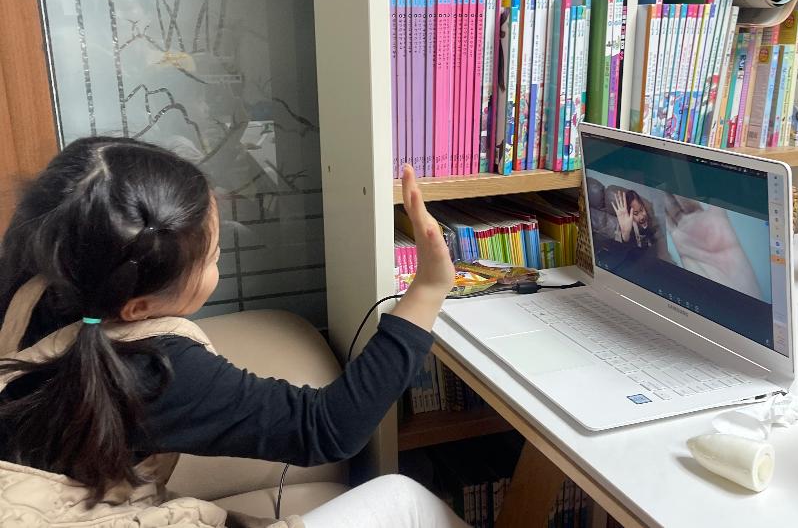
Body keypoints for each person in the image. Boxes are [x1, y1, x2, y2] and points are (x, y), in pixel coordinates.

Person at [0, 137, 467, 528]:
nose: (219, 257)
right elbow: (328, 428)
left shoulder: (30, 269)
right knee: (405, 499)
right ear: (137, 308)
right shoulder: (154, 369)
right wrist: (428, 288)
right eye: (212, 256)